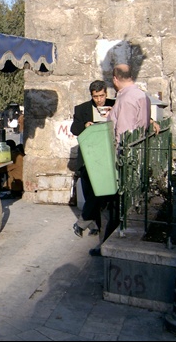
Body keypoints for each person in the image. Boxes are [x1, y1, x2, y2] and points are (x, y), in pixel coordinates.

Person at [70, 80, 115, 250]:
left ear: (106, 93)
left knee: (101, 192)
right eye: (96, 97)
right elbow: (74, 128)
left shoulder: (114, 104)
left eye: (102, 96)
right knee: (91, 192)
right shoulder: (82, 109)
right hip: (89, 157)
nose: (99, 100)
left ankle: (82, 222)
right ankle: (94, 225)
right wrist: (84, 125)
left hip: (108, 156)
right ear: (91, 96)